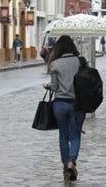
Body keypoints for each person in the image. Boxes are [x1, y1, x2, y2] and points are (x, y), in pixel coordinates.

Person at [43, 35, 84, 181]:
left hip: (59, 104)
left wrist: (47, 86)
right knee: (75, 135)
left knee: (63, 135)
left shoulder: (55, 64)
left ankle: (65, 165)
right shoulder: (80, 62)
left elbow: (54, 87)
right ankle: (72, 162)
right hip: (77, 104)